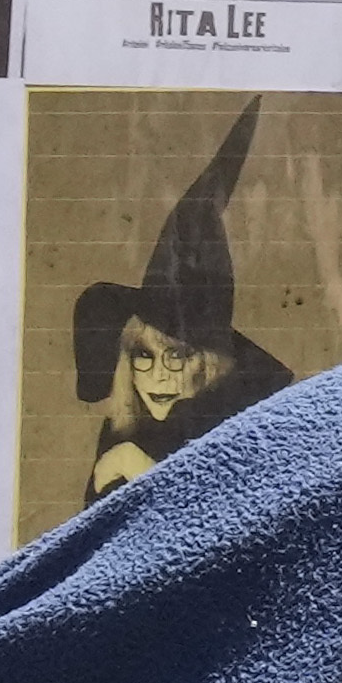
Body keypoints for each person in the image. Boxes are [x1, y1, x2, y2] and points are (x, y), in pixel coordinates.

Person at [64, 106, 297, 506]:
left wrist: (137, 466)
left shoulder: (245, 428)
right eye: (143, 355)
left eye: (178, 355)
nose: (159, 376)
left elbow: (226, 530)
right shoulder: (124, 430)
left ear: (211, 363)